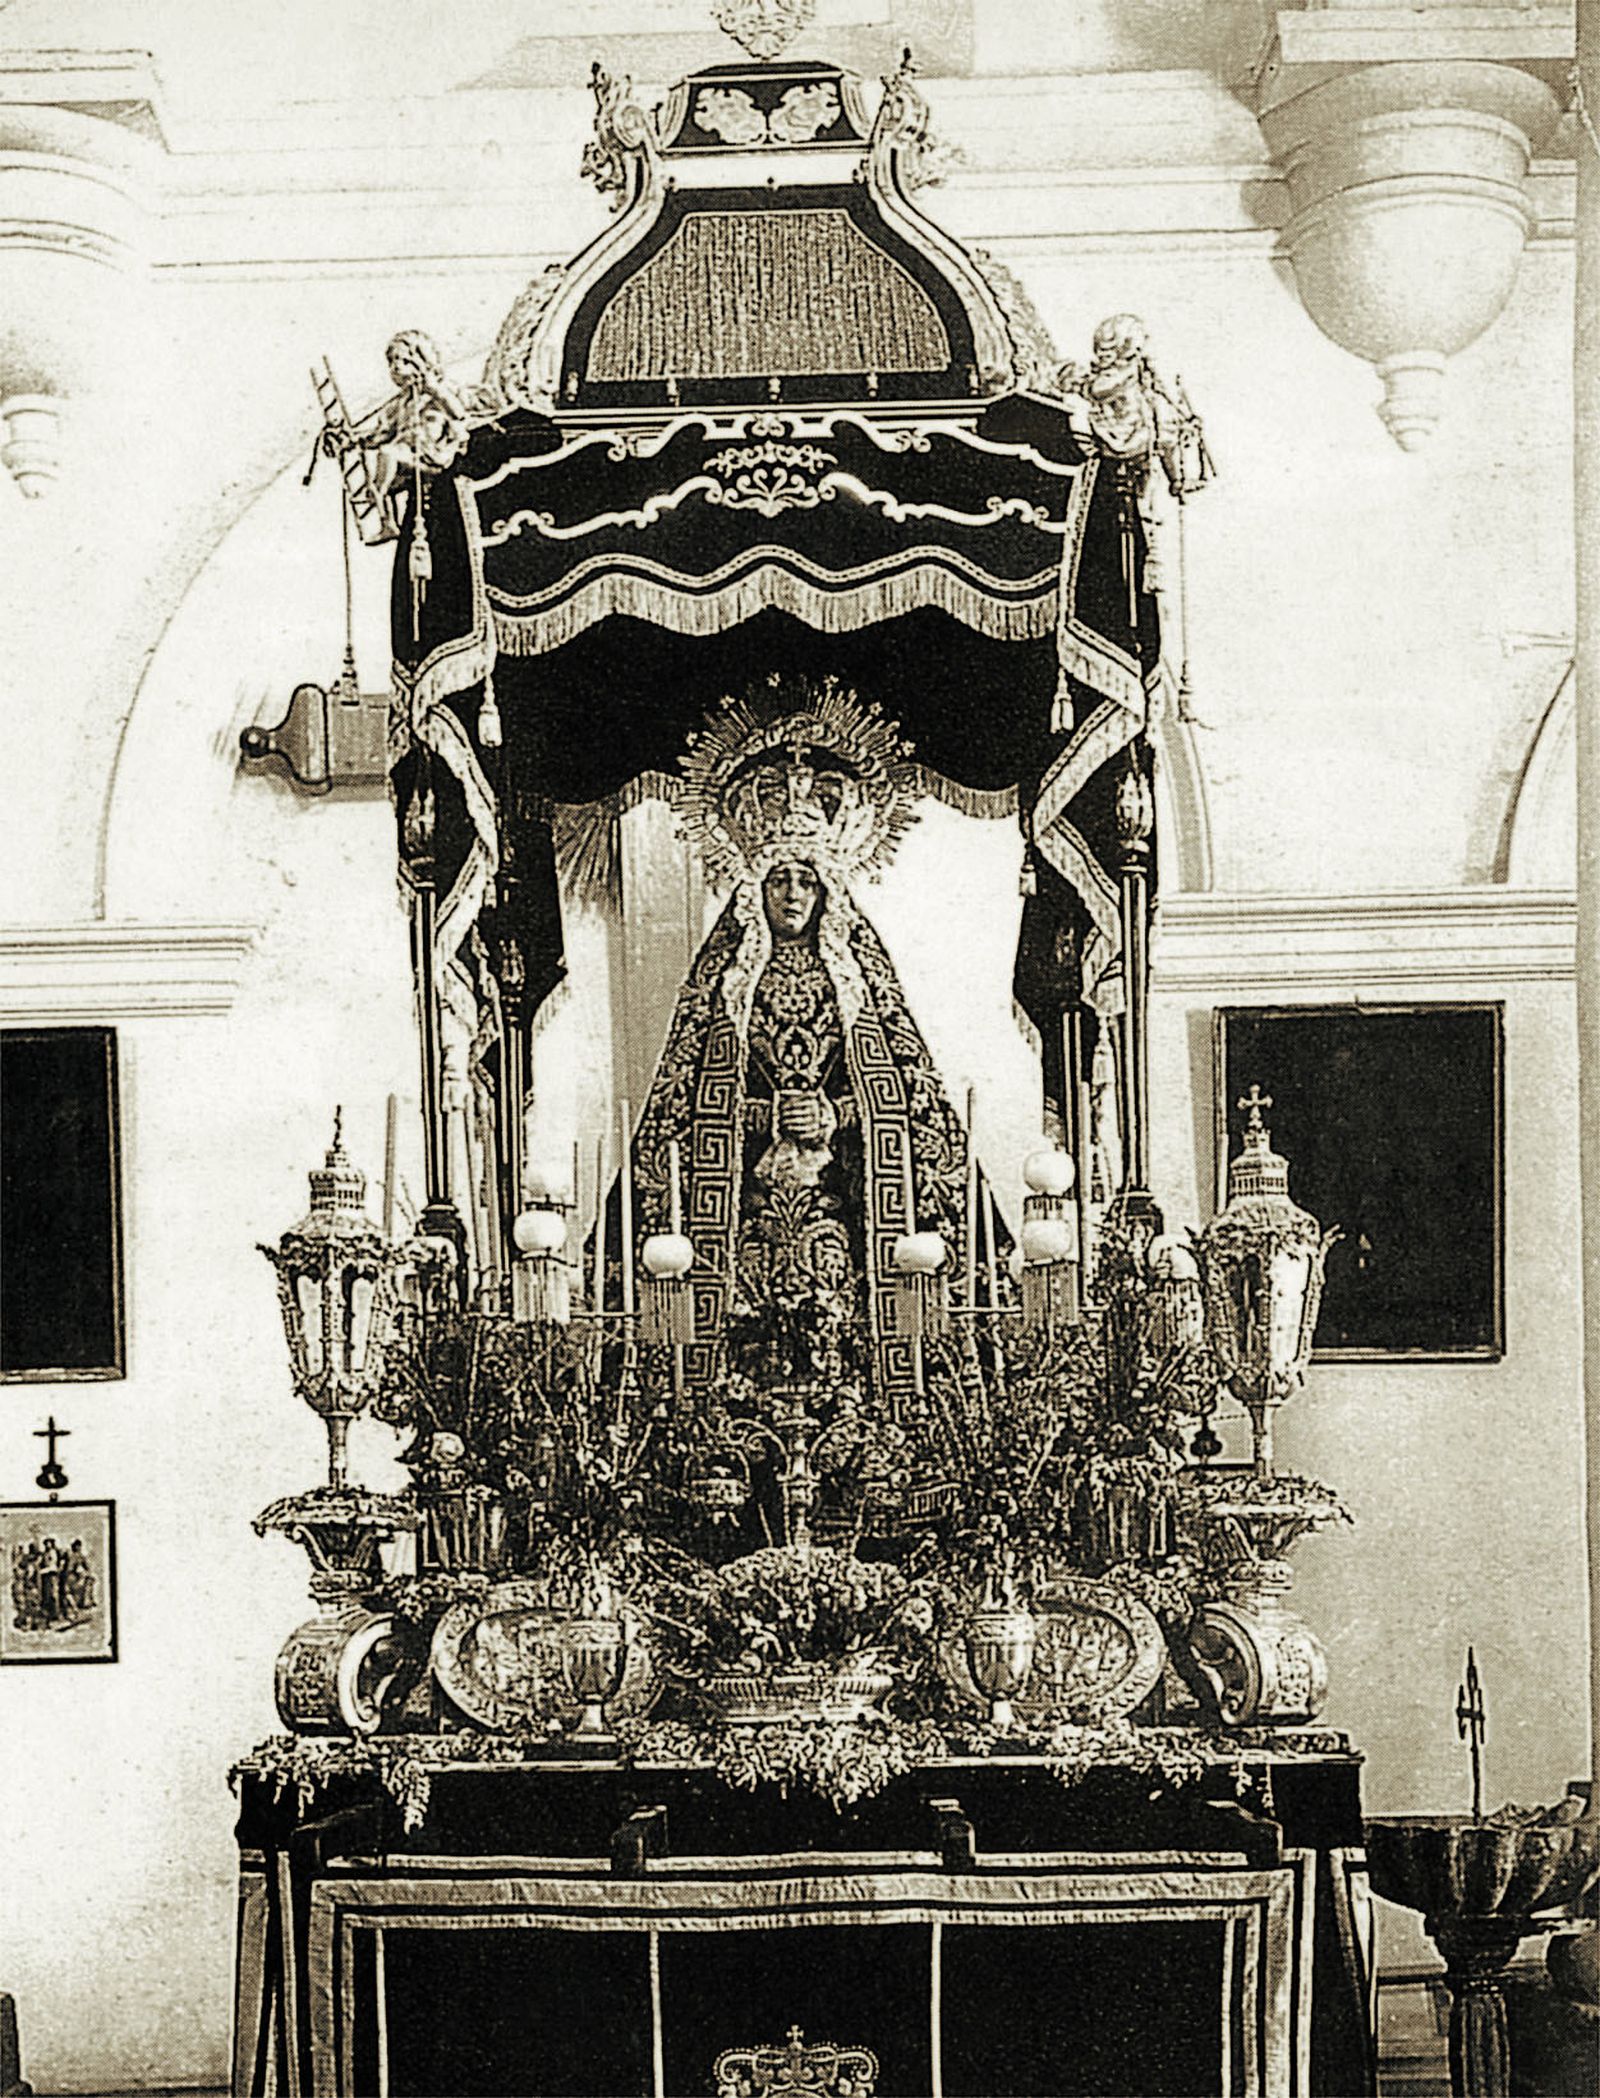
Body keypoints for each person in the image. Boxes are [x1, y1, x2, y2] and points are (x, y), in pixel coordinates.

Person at [627, 679, 978, 1406]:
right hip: (741, 1223)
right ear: (755, 889)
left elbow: (912, 1100)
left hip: (838, 1219)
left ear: (829, 892)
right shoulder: (723, 981)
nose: (791, 894)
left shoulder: (860, 977)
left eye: (807, 882)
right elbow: (678, 1107)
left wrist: (836, 1117)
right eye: (779, 879)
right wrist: (758, 1118)